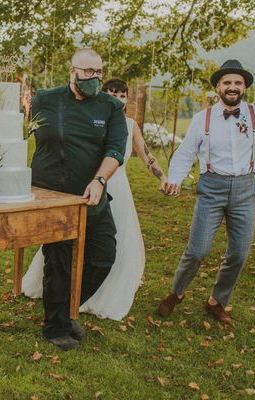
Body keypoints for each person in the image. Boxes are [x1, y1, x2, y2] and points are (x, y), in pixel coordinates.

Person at [158, 59, 255, 325]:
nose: (232, 87)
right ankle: (177, 292)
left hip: (245, 190)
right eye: (227, 82)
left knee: (239, 253)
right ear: (218, 86)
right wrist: (174, 178)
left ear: (244, 88)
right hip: (211, 188)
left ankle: (217, 301)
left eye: (237, 83)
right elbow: (185, 153)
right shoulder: (201, 118)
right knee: (198, 250)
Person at [23, 79, 167, 320]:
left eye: (122, 95)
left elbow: (147, 156)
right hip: (89, 186)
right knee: (69, 244)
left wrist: (162, 177)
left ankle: (98, 294)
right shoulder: (92, 119)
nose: (117, 98)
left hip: (118, 189)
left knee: (111, 245)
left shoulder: (131, 125)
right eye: (112, 93)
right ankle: (60, 295)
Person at [28, 48, 128, 350]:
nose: (94, 78)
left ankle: (67, 308)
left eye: (99, 72)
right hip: (53, 196)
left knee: (103, 255)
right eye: (88, 72)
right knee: (59, 260)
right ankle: (56, 326)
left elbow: (116, 149)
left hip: (91, 196)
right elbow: (35, 137)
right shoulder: (46, 99)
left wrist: (99, 180)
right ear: (73, 71)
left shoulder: (110, 107)